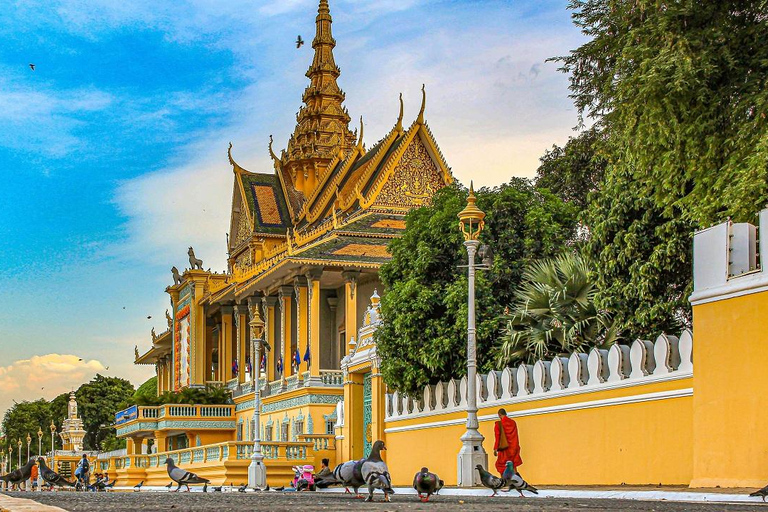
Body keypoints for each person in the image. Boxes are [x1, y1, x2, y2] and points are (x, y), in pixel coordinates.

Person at [493, 408, 522, 476]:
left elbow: (498, 437)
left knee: (500, 465)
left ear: (499, 415)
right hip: (514, 447)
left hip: (504, 449)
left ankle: (504, 480)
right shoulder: (513, 422)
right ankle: (517, 479)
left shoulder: (499, 424)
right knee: (513, 464)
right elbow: (515, 435)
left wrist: (495, 448)